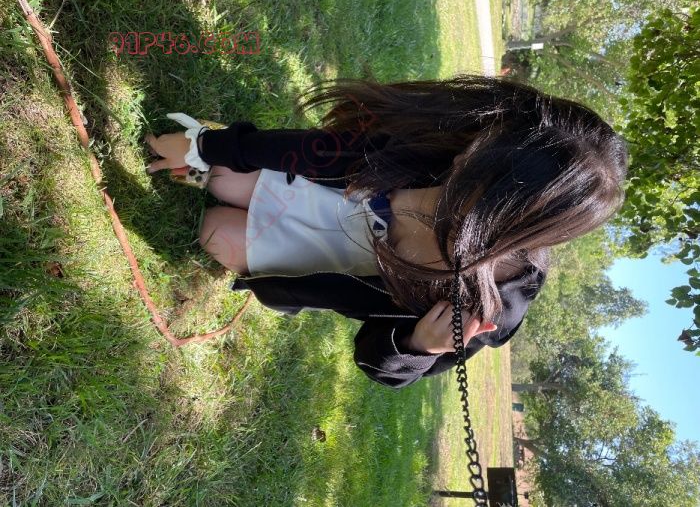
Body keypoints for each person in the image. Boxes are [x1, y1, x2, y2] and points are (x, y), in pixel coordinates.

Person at [144, 74, 629, 389]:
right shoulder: (449, 144)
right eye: (471, 159)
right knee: (225, 177)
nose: (461, 158)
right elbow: (321, 152)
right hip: (338, 198)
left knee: (215, 233)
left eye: (446, 207)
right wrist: (207, 146)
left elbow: (379, 363)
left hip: (333, 255)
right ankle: (220, 176)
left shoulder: (487, 312)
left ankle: (256, 242)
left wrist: (419, 346)